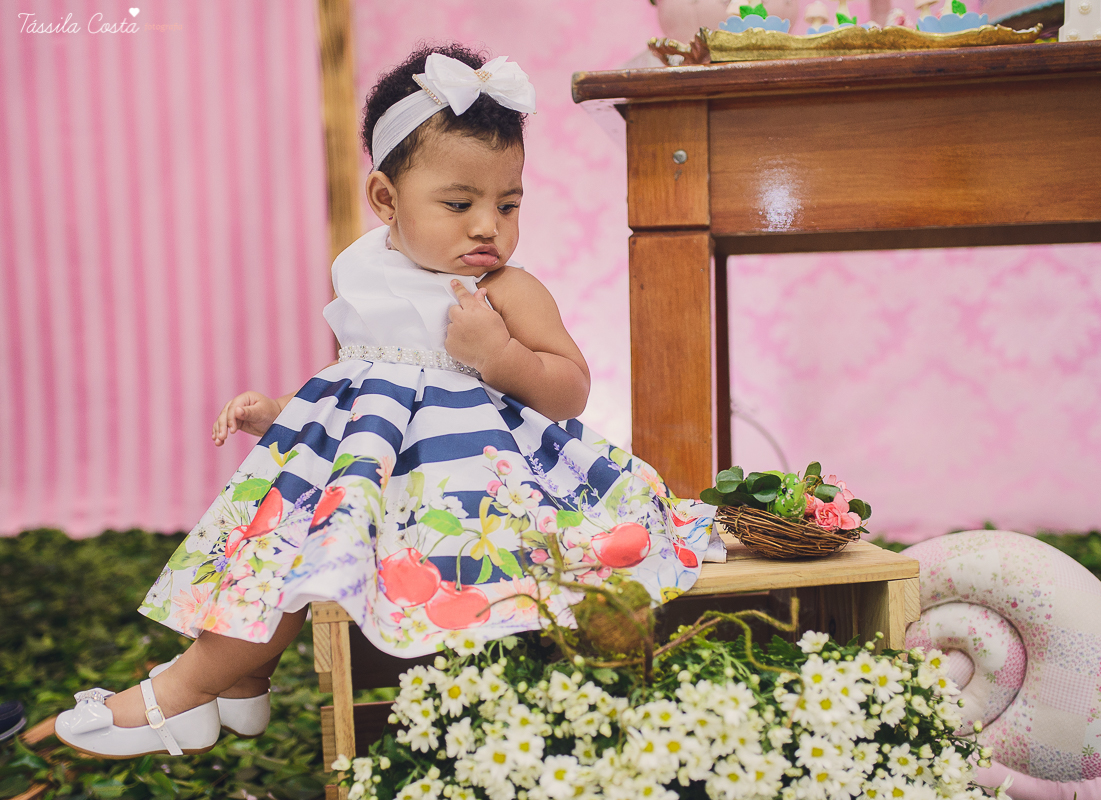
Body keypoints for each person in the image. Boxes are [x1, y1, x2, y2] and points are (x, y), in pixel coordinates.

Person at [54, 42, 715, 759]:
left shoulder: (505, 292)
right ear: (385, 200)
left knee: (309, 546)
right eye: (459, 204)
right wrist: (285, 412)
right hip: (373, 477)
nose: (488, 225)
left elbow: (569, 390)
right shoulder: (366, 273)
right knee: (285, 538)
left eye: (508, 202)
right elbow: (361, 383)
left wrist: (499, 356)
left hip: (468, 502)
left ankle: (190, 691)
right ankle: (235, 678)